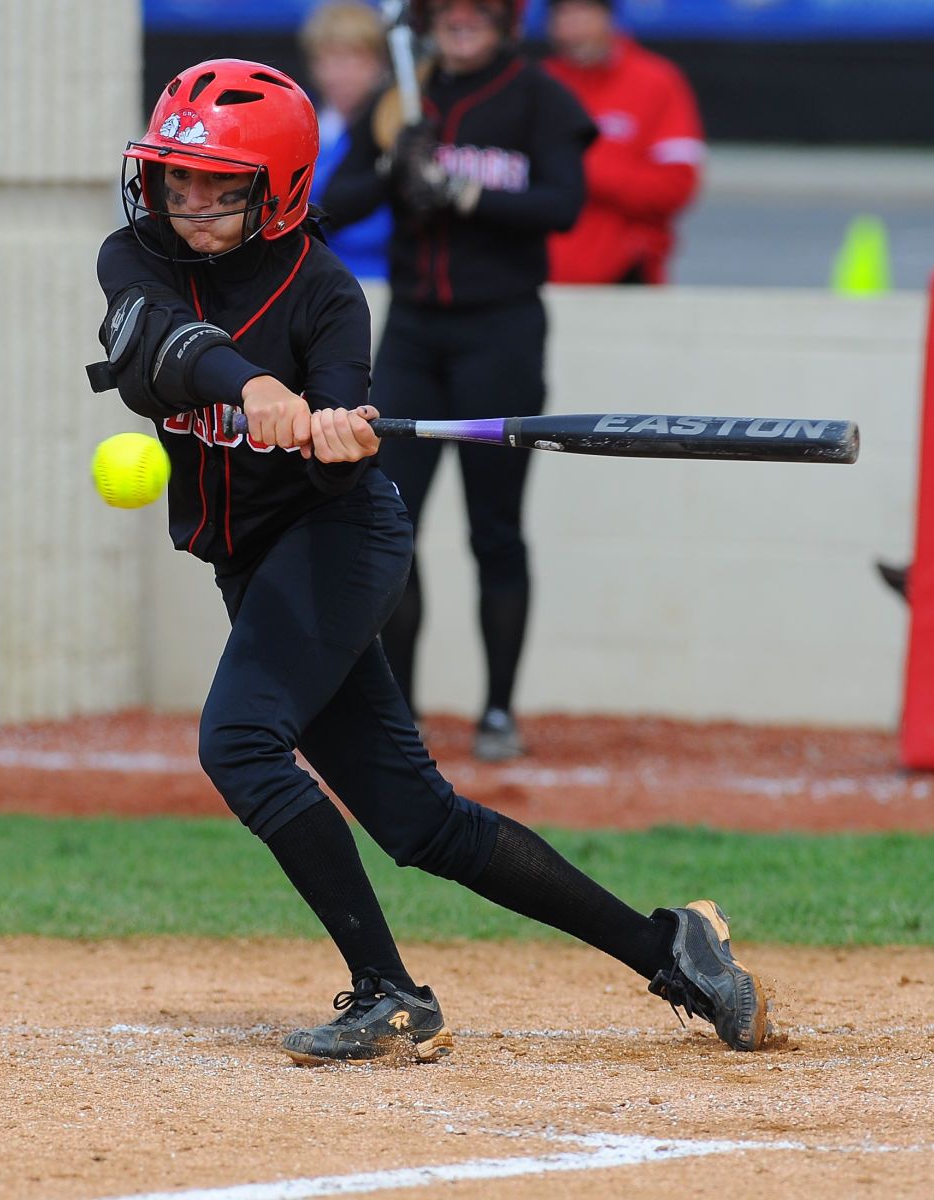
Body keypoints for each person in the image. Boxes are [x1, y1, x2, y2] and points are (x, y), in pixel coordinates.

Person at [90, 56, 771, 1065]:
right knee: (421, 823)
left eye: (218, 183)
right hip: (254, 564)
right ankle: (674, 949)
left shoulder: (323, 294)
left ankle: (390, 994)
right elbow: (154, 350)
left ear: (275, 190)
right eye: (177, 177)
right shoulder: (133, 259)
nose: (187, 199)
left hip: (339, 538)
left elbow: (338, 441)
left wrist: (334, 438)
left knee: (238, 741)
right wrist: (254, 391)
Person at [321, 0, 588, 762]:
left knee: (493, 528)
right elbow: (332, 208)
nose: (460, 21)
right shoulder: (403, 97)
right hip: (411, 334)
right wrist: (391, 164)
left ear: (505, 21)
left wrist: (466, 193)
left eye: (478, 9)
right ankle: (401, 711)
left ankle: (498, 711)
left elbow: (563, 205)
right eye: (447, 10)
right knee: (391, 524)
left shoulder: (541, 97)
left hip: (499, 331)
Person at [543, 0, 703, 285]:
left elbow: (675, 186)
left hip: (626, 278)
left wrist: (578, 168)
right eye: (562, 13)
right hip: (538, 279)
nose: (572, 25)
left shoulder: (657, 81)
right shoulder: (538, 84)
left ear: (608, 16)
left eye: (583, 11)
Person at [299, 0, 394, 281]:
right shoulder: (300, 130)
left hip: (387, 278)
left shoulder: (401, 131)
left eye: (356, 58)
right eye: (329, 58)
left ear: (381, 65)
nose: (342, 73)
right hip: (317, 281)